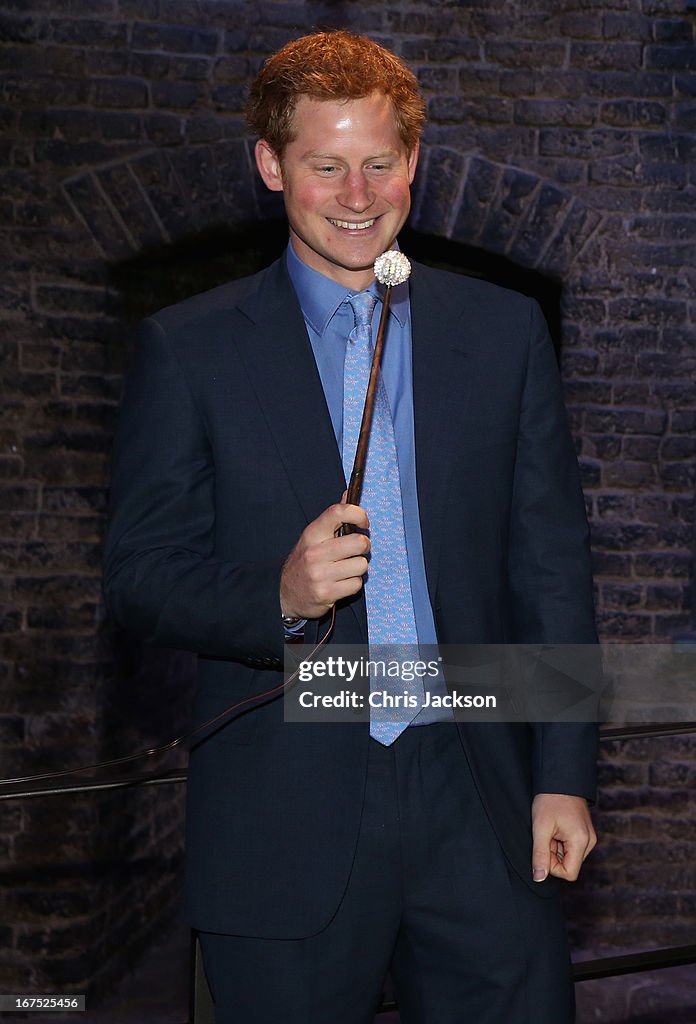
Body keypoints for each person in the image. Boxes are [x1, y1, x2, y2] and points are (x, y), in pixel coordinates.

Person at [103, 30, 598, 1024]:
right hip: (286, 807)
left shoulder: (501, 334)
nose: (358, 194)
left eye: (380, 163)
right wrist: (276, 595)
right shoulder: (190, 348)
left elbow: (549, 564)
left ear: (415, 161)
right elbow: (138, 575)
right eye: (326, 166)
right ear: (271, 165)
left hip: (478, 789)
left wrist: (563, 777)